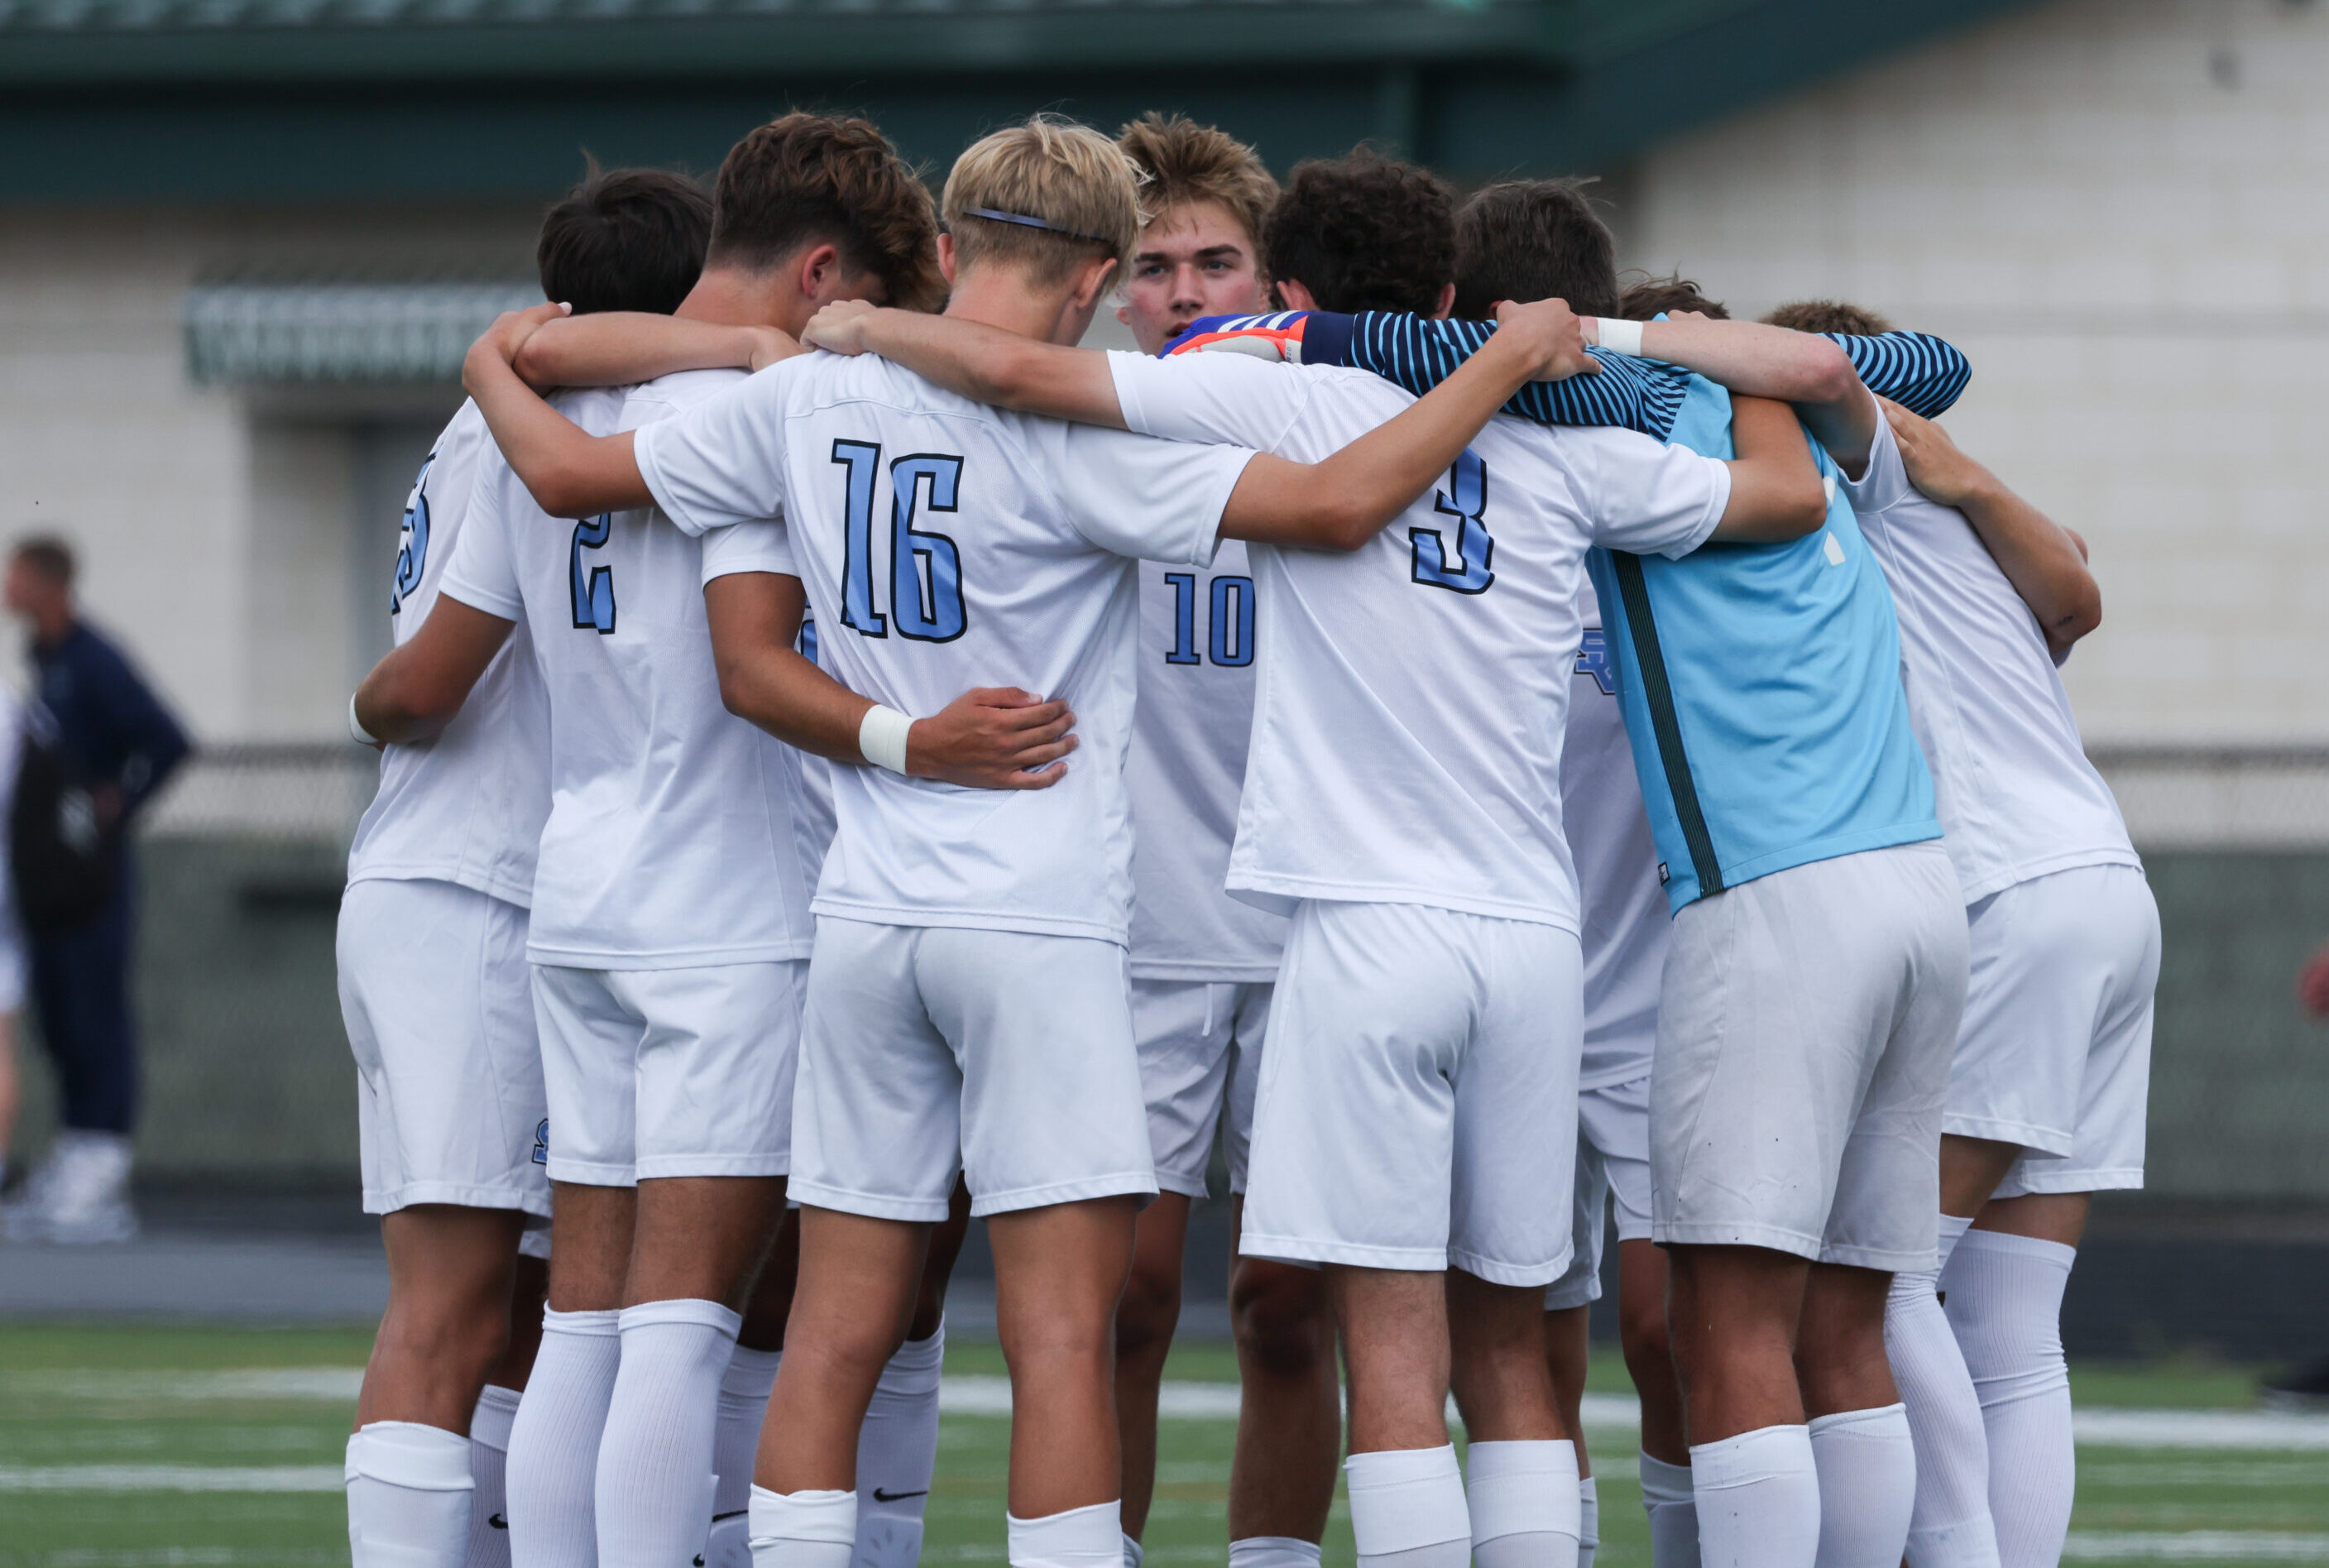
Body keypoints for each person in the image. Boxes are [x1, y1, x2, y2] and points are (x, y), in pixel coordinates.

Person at [458, 111, 1593, 1568]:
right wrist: (1503, 359)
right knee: (1061, 1336)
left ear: (943, 249)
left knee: (831, 1333)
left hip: (868, 913)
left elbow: (569, 472)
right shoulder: (1078, 427)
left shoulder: (812, 395)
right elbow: (1342, 501)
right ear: (1107, 277)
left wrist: (493, 357)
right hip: (1040, 915)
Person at [804, 229, 1839, 1568]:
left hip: (1362, 931)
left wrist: (875, 327)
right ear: (1463, 305)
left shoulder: (1284, 390)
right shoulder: (1579, 453)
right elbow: (1791, 493)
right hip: (1534, 943)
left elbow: (1020, 376)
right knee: (1514, 1351)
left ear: (1302, 295)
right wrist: (1690, 349)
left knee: (1394, 1360)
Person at [1178, 195, 1981, 1568]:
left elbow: (1229, 345)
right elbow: (1909, 373)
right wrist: (1671, 352)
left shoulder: (1584, 428)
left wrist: (1567, 348)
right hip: (1694, 922)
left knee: (1660, 1333)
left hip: (1698, 929)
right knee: (1730, 1326)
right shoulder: (1661, 423)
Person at [353, 112, 952, 1568]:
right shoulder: (768, 410)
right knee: (679, 1341)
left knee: (580, 1330)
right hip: (724, 903)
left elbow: (449, 640)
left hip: (576, 891)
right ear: (820, 274)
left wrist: (502, 358)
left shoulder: (529, 423)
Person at [334, 164, 715, 1568]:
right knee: (446, 1306)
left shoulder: (498, 402)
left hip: (507, 889)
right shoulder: (547, 424)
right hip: (468, 887)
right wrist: (370, 698)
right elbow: (424, 686)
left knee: (533, 1309)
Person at [1770, 297, 2152, 1568]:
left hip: (2011, 893)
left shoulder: (1857, 490)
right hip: (2103, 888)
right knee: (2008, 1313)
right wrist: (1975, 475)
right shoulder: (1976, 522)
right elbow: (2078, 589)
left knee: (1880, 1275)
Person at [1106, 113, 1337, 1568]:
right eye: (1153, 263)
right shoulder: (1088, 416)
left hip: (1316, 919)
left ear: (1272, 277)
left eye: (1215, 259)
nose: (1184, 288)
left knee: (1286, 1304)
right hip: (1143, 918)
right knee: (1120, 1294)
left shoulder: (1345, 412)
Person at [0, 535, 189, 1244]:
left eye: (16, 573)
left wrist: (118, 805)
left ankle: (103, 1166)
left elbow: (168, 739)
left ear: (46, 583)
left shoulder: (92, 658)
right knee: (62, 1013)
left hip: (95, 874)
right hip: (54, 876)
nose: (7, 584)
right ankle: (77, 1154)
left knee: (97, 1011)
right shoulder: (44, 660)